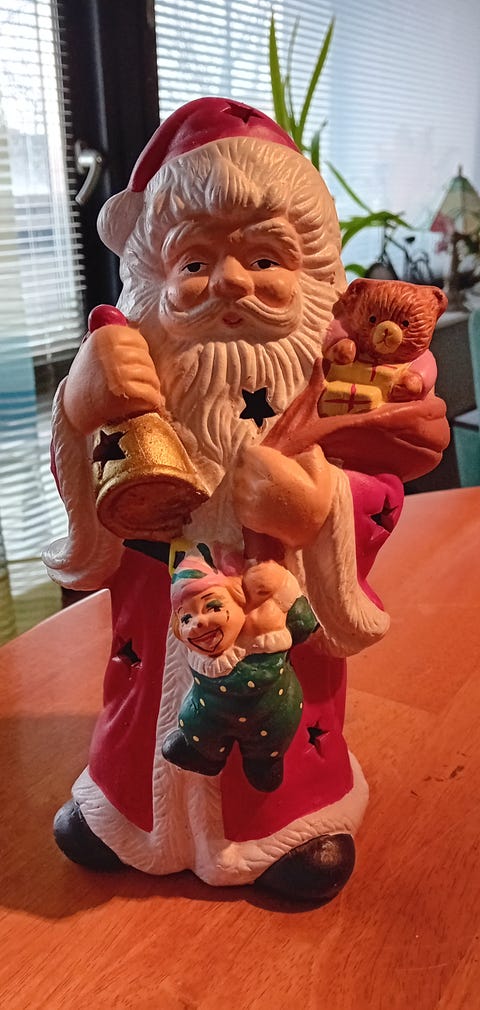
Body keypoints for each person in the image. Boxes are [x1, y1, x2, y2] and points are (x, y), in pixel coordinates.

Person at [44, 97, 447, 902]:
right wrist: (77, 410)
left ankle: (290, 824)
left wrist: (318, 507)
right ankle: (125, 810)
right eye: (194, 262)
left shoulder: (348, 384)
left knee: (287, 734)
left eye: (265, 258)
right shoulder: (135, 370)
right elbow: (95, 521)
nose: (230, 281)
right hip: (155, 618)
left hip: (282, 633)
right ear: (153, 278)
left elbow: (383, 483)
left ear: (315, 277)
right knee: (139, 718)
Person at [163, 553, 318, 792]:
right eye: (186, 618)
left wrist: (281, 586)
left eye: (213, 606)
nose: (198, 623)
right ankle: (204, 755)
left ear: (241, 605)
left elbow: (304, 623)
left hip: (270, 714)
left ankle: (263, 763)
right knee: (195, 721)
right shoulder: (203, 659)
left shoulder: (266, 641)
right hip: (209, 713)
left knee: (271, 737)